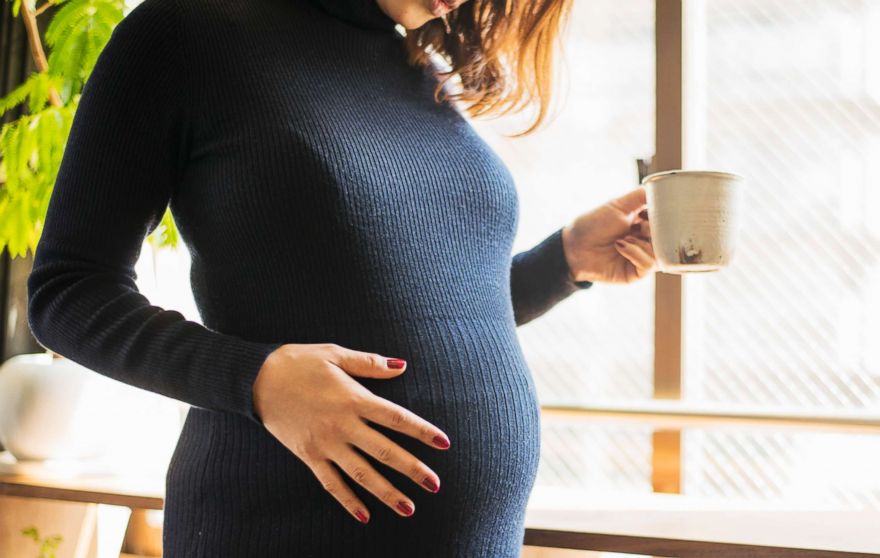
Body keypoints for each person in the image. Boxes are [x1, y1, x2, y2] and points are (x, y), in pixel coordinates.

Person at [25, 0, 657, 555]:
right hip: (278, 528)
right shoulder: (187, 33)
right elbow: (67, 292)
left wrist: (566, 260)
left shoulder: (417, 67)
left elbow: (420, 316)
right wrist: (257, 379)